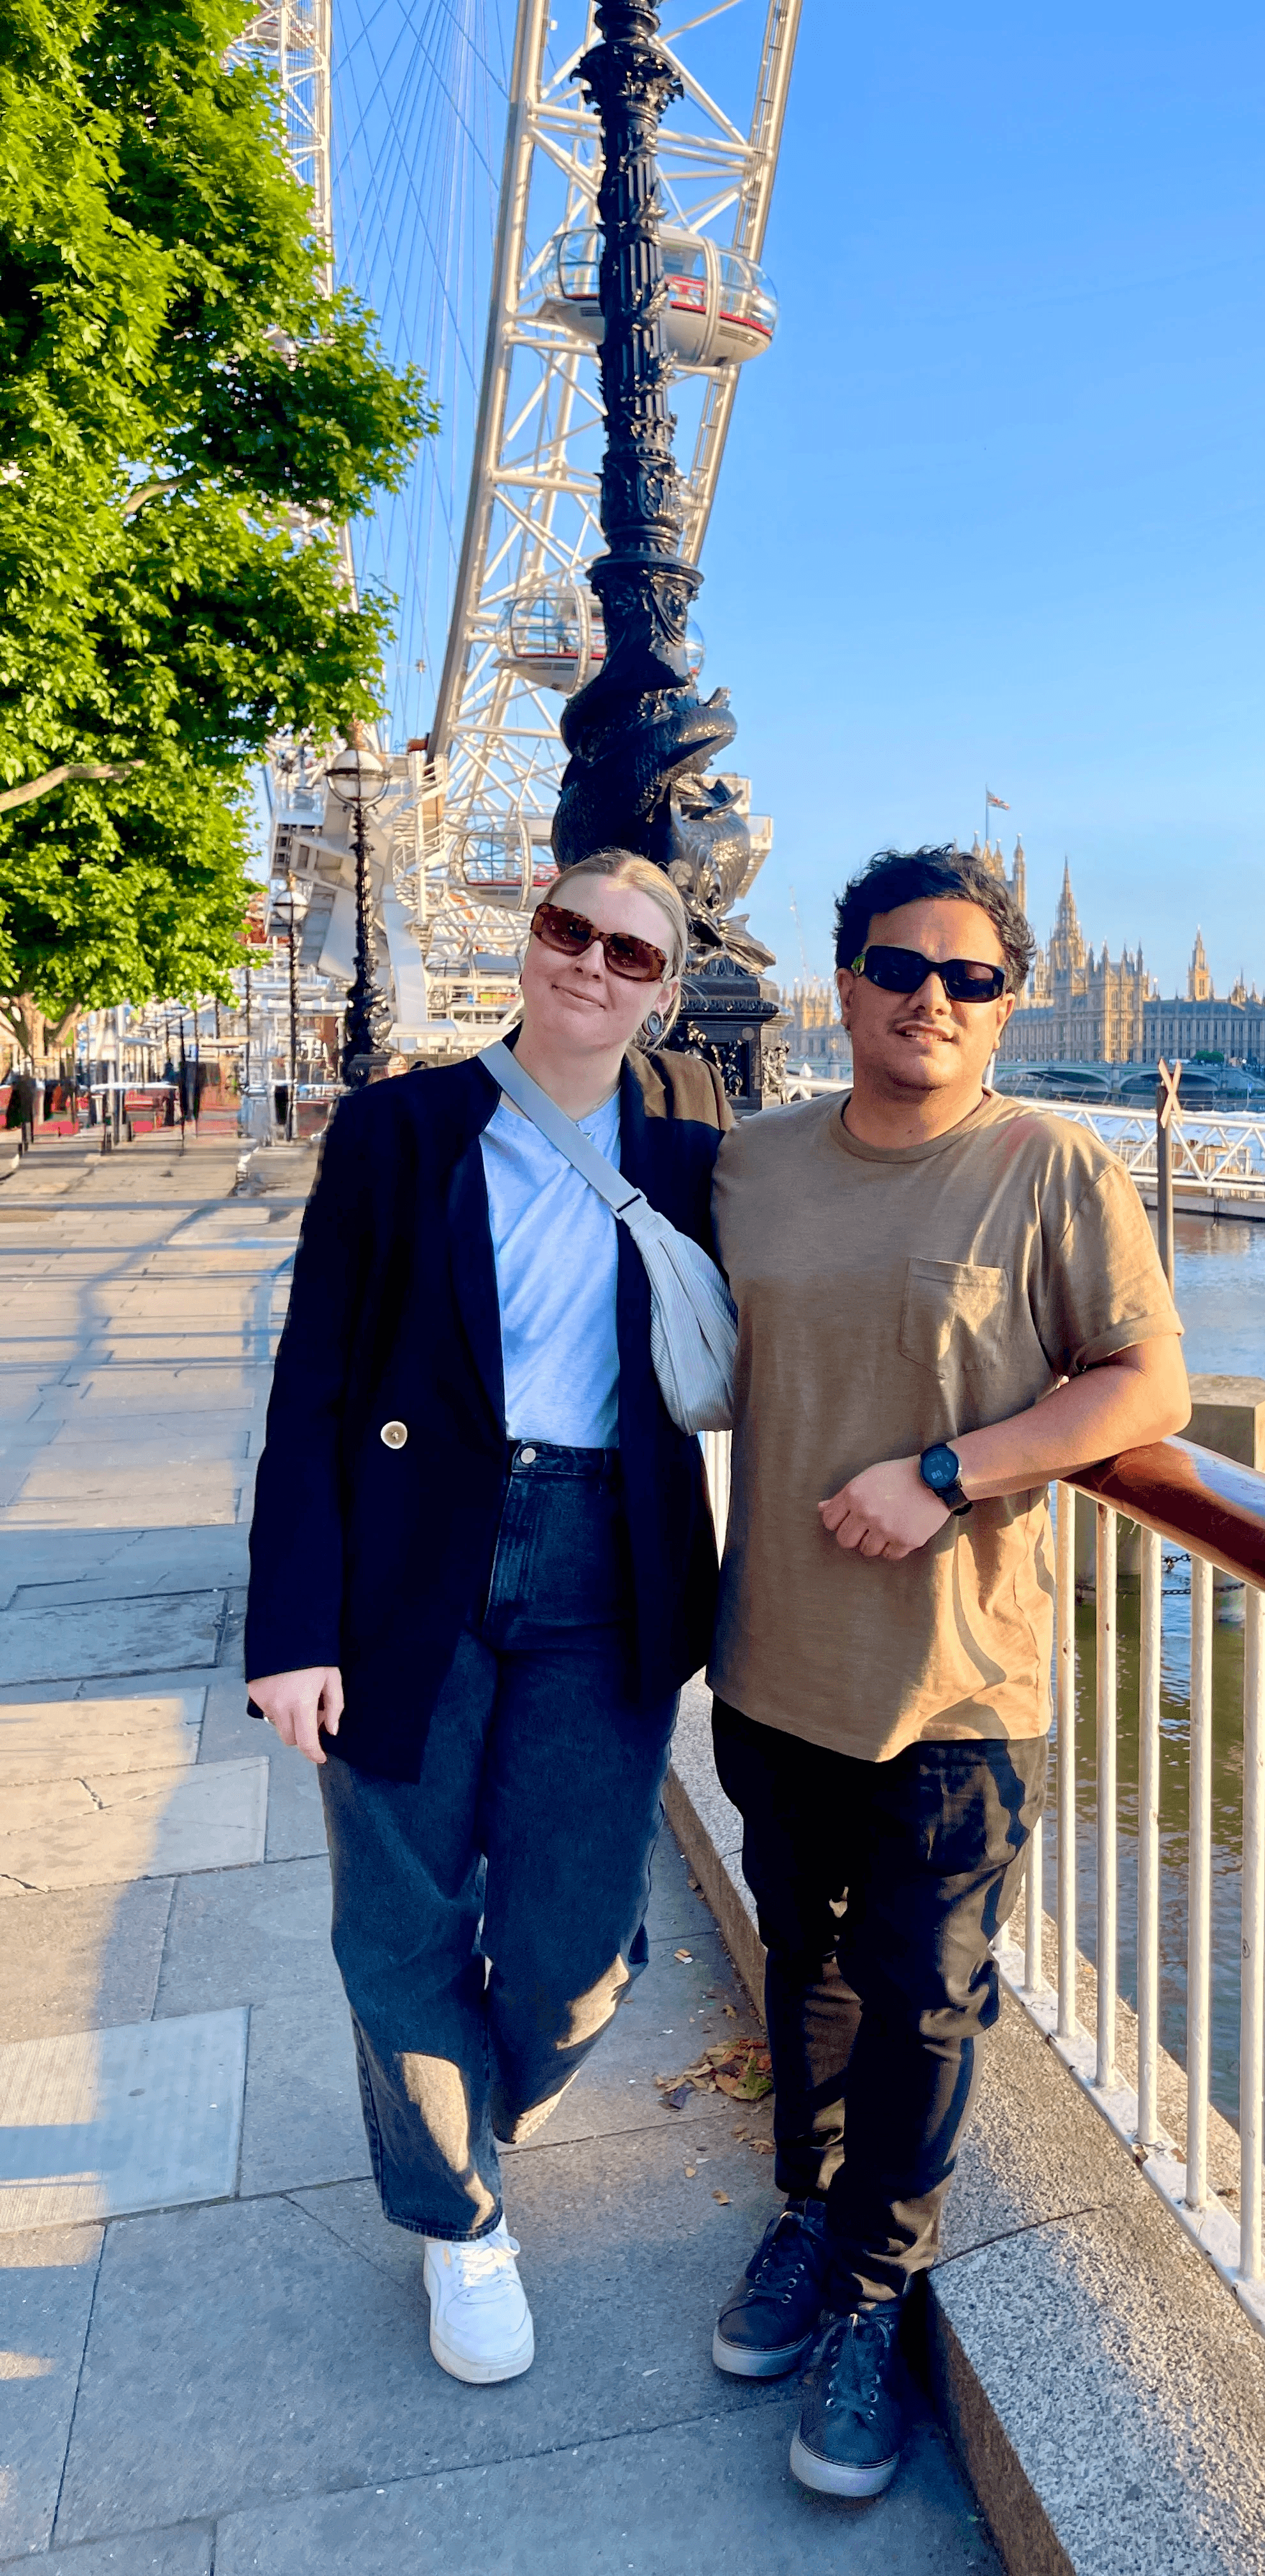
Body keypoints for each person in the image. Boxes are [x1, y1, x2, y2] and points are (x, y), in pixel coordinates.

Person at [705, 845, 1190, 2498]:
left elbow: (1144, 1384)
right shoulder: (752, 1165)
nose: (933, 999)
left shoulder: (1049, 1166)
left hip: (959, 1680)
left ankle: (869, 2291)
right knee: (808, 1962)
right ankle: (806, 2210)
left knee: (924, 1994)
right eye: (902, 968)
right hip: (774, 1656)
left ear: (1008, 1002)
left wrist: (948, 1471)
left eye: (970, 977)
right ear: (842, 985)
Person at [245, 850, 729, 2386]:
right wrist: (290, 1628)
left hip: (610, 1563)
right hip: (413, 1558)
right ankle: (460, 2220)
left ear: (664, 991)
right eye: (569, 930)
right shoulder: (398, 1132)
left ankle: (460, 2102)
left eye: (630, 953)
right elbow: (314, 1383)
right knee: (400, 1911)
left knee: (577, 1946)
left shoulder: (697, 1151)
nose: (590, 963)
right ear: (531, 941)